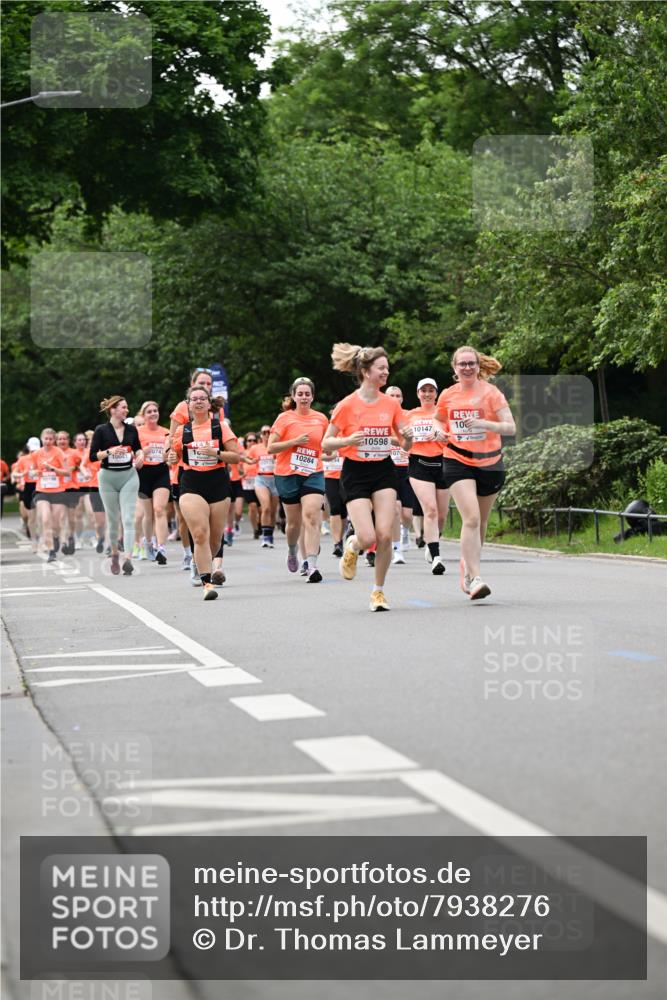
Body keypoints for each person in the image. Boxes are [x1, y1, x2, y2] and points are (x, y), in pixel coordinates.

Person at [323, 343, 414, 612]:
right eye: (381, 368)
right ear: (365, 371)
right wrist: (347, 440)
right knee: (367, 535)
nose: (386, 373)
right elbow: (326, 444)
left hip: (383, 470)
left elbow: (405, 446)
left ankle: (378, 591)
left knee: (385, 535)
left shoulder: (390, 404)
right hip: (355, 473)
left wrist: (407, 439)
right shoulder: (347, 405)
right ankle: (352, 545)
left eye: (387, 368)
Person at [434, 346, 516, 600]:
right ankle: (477, 577)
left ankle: (467, 569)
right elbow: (439, 419)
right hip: (457, 459)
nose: (467, 368)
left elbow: (510, 427)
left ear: (479, 366)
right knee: (470, 518)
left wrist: (485, 424)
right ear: (454, 368)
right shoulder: (448, 395)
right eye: (462, 364)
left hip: (490, 463)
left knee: (480, 522)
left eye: (471, 363)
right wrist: (438, 430)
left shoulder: (492, 393)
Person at [168, 385, 240, 600]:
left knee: (215, 540)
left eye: (202, 398)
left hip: (217, 482)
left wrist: (215, 453)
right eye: (194, 399)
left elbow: (236, 457)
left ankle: (201, 561)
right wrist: (171, 457)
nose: (198, 402)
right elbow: (173, 455)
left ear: (209, 404)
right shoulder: (183, 430)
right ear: (188, 405)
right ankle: (207, 583)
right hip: (191, 483)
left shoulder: (220, 427)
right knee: (199, 534)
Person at [267, 377, 329, 582]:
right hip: (287, 474)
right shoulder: (284, 418)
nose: (304, 397)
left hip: (313, 472)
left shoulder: (321, 418)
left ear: (312, 396)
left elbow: (325, 444)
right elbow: (271, 447)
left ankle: (311, 565)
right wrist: (294, 442)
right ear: (294, 396)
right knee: (293, 524)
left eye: (307, 394)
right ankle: (293, 550)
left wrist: (331, 451)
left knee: (311, 516)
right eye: (300, 394)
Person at [89, 396, 144, 576]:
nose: (126, 410)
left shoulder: (131, 430)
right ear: (113, 410)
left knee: (128, 518)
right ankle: (114, 554)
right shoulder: (101, 430)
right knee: (113, 519)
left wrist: (141, 456)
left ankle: (127, 558)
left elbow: (137, 448)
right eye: (123, 407)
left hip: (129, 476)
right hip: (108, 478)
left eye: (127, 408)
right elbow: (92, 456)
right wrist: (108, 452)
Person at [405, 378, 450, 576]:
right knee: (430, 510)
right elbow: (402, 444)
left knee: (441, 515)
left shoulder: (443, 414)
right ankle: (436, 556)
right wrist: (407, 438)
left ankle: (433, 541)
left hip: (444, 463)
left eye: (431, 390)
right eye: (423, 390)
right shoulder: (410, 415)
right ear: (417, 394)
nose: (427, 394)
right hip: (419, 463)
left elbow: (456, 440)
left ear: (436, 393)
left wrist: (444, 437)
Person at [385, 385, 416, 565]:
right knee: (395, 508)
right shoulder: (380, 416)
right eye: (391, 395)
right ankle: (397, 551)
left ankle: (405, 532)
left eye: (398, 395)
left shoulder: (408, 417)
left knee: (407, 513)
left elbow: (412, 439)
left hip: (406, 467)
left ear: (402, 399)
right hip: (388, 469)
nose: (395, 398)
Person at [136, 401, 171, 565]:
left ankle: (161, 547)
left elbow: (171, 455)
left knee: (159, 509)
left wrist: (168, 456)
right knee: (147, 514)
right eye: (149, 411)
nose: (153, 413)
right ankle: (148, 542)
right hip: (143, 474)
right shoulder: (137, 433)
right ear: (144, 415)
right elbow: (133, 458)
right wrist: (143, 452)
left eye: (155, 411)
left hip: (161, 472)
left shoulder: (166, 432)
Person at [32, 428, 71, 562]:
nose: (48, 441)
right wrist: (37, 472)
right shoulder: (37, 454)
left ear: (54, 440)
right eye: (45, 439)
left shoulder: (59, 452)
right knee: (45, 519)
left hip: (58, 491)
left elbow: (67, 472)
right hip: (42, 490)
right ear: (41, 439)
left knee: (56, 523)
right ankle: (51, 550)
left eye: (50, 439)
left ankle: (55, 538)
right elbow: (32, 472)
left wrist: (53, 469)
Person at [244, 426, 279, 547]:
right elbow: (248, 459)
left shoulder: (276, 446)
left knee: (273, 511)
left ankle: (270, 534)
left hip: (275, 480)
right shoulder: (255, 448)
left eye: (269, 432)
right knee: (266, 507)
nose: (267, 434)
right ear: (261, 435)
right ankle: (265, 536)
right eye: (264, 432)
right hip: (261, 479)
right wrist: (248, 460)